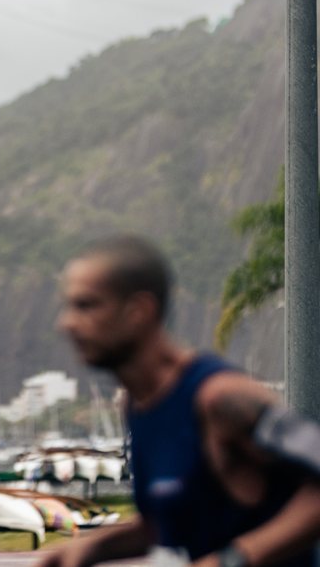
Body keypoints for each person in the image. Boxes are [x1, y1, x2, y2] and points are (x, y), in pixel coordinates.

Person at [40, 235, 320, 567]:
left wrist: (233, 560)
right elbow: (166, 523)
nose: (67, 324)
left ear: (138, 311)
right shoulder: (138, 405)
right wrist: (89, 548)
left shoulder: (219, 397)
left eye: (86, 305)